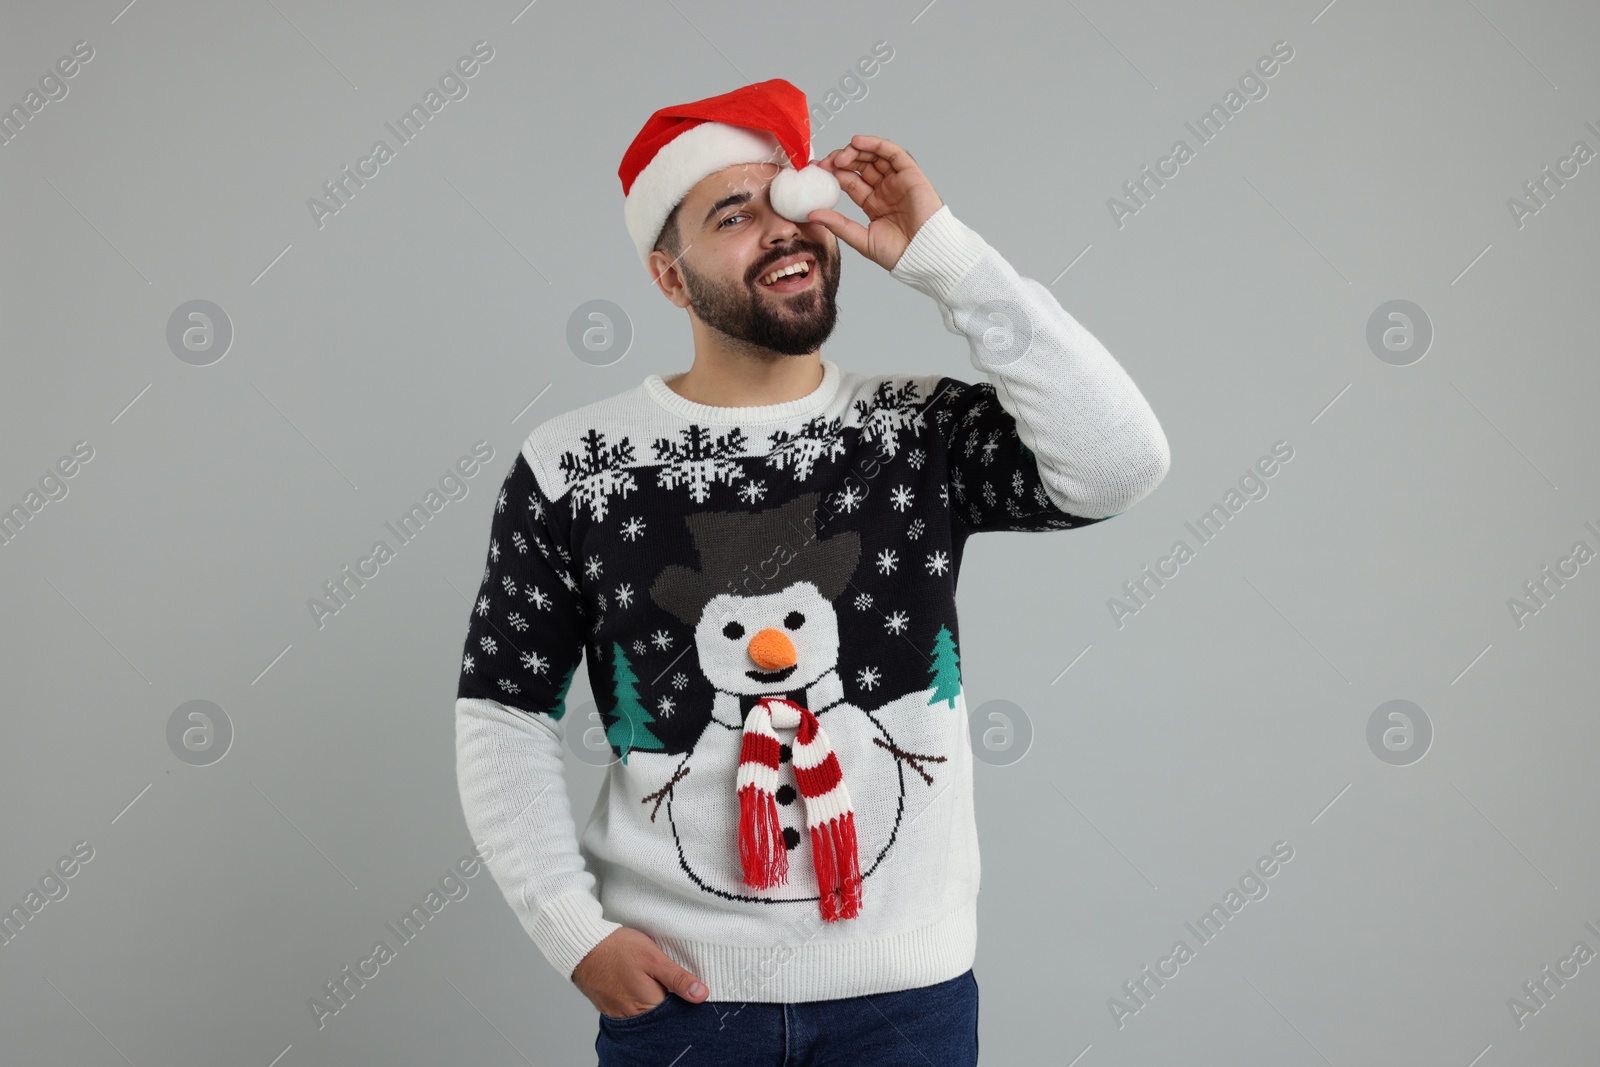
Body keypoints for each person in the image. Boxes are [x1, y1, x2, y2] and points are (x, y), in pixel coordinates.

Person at [454, 78, 1170, 1065]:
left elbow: (1119, 465)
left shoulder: (915, 429)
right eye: (732, 214)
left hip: (906, 1004)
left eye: (785, 200)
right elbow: (502, 710)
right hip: (682, 1006)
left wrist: (948, 259)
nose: (782, 229)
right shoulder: (574, 463)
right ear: (669, 277)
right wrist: (574, 935)